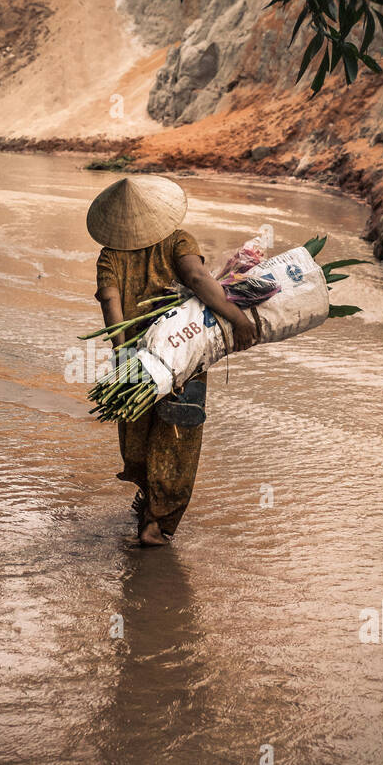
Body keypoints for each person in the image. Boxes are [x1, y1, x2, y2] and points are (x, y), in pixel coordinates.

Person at [89, 175, 255, 548]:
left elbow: (110, 301)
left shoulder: (109, 255)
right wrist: (239, 319)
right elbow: (197, 277)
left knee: (140, 431)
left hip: (139, 360)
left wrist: (123, 353)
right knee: (177, 436)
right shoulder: (179, 239)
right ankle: (156, 523)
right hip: (184, 353)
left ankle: (148, 499)